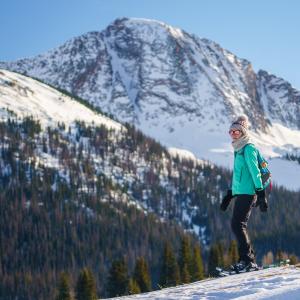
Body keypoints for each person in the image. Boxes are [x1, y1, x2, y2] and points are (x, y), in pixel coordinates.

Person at [220, 115, 268, 272]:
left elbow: (255, 172)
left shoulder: (248, 148)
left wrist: (261, 193)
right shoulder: (239, 148)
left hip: (249, 193)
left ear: (243, 132)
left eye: (237, 131)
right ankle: (245, 259)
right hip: (242, 192)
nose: (233, 133)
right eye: (231, 131)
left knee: (238, 225)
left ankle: (248, 261)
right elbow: (241, 176)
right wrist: (230, 194)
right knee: (238, 225)